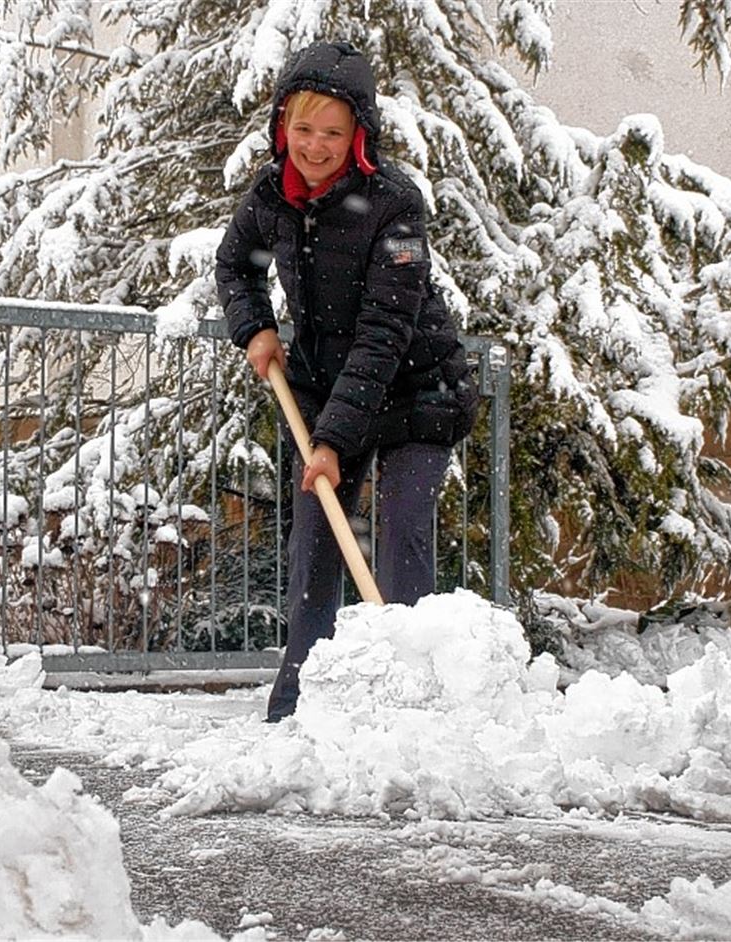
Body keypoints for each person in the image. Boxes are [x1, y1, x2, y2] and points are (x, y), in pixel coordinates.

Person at [215, 41, 479, 722]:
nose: (315, 146)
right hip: (327, 384)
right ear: (281, 126)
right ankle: (297, 707)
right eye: (302, 129)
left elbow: (384, 331)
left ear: (358, 133)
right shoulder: (272, 195)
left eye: (332, 131)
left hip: (418, 388)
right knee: (315, 547)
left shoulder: (394, 203)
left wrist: (331, 439)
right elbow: (235, 266)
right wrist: (256, 328)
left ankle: (412, 708)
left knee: (403, 536)